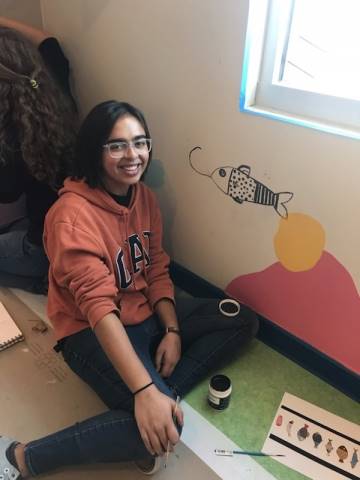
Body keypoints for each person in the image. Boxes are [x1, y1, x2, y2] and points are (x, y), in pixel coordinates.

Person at [0, 100, 258, 478]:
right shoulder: (70, 216)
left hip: (145, 314)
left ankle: (162, 393)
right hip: (90, 331)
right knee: (155, 433)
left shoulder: (144, 198)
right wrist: (143, 392)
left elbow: (155, 267)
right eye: (116, 145)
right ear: (94, 151)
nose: (132, 155)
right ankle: (21, 457)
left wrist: (171, 330)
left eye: (140, 142)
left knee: (241, 320)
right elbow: (99, 309)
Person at [0, 17, 77, 293]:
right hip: (79, 237)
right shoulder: (56, 92)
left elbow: (6, 195)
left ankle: (48, 281)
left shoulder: (10, 142)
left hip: (45, 250)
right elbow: (47, 41)